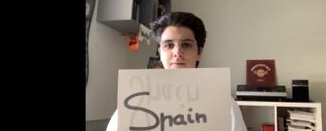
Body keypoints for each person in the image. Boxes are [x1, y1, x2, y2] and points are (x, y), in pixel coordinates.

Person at [106, 11, 247, 131]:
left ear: (199, 52)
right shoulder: (133, 104)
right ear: (160, 52)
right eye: (169, 45)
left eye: (186, 45)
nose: (177, 52)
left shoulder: (225, 106)